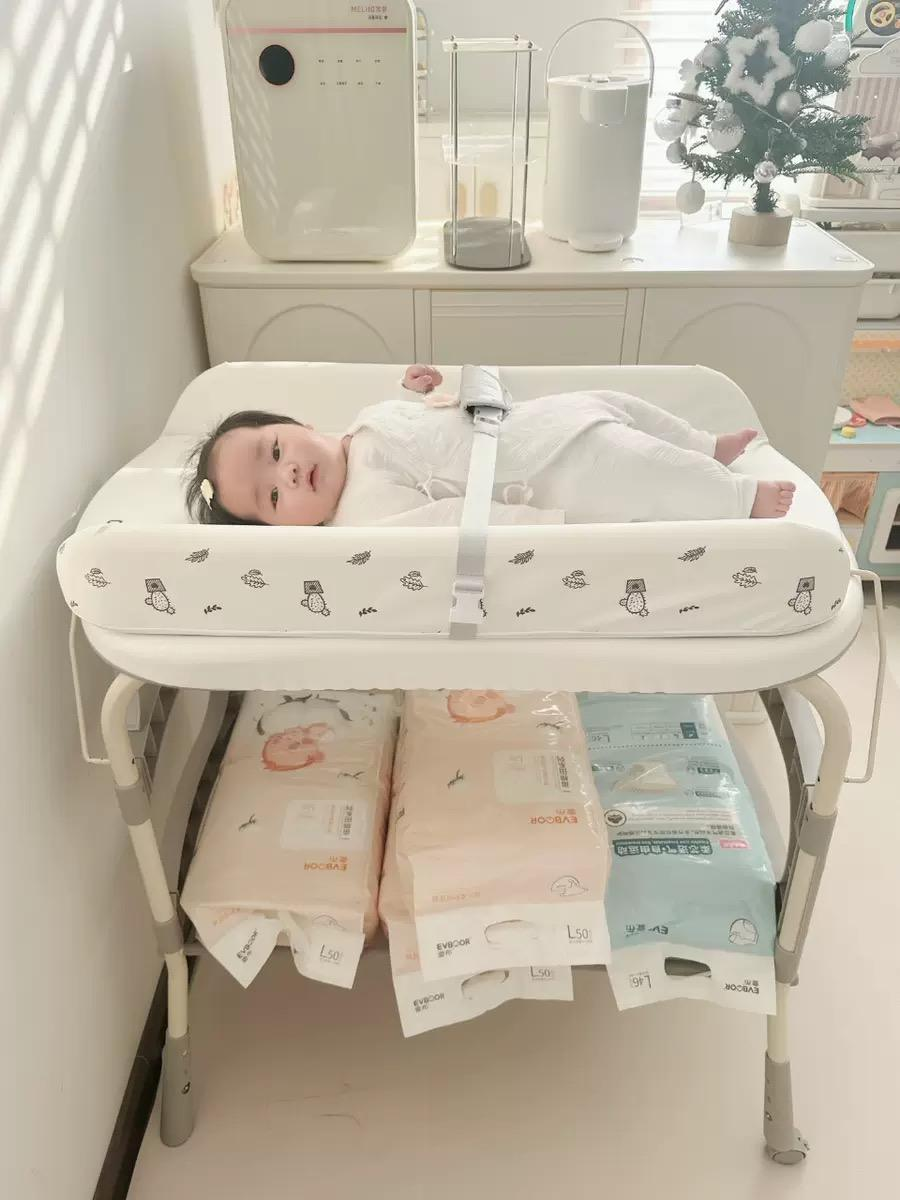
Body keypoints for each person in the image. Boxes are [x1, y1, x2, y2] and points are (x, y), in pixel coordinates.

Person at [186, 364, 795, 527]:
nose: (288, 475)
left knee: (616, 402)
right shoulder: (361, 515)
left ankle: (704, 444)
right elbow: (454, 517)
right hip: (546, 474)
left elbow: (419, 428)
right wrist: (536, 526)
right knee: (642, 469)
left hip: (530, 423)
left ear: (296, 425)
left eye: (274, 452)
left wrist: (421, 390)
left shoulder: (360, 425)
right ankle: (737, 498)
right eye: (271, 497)